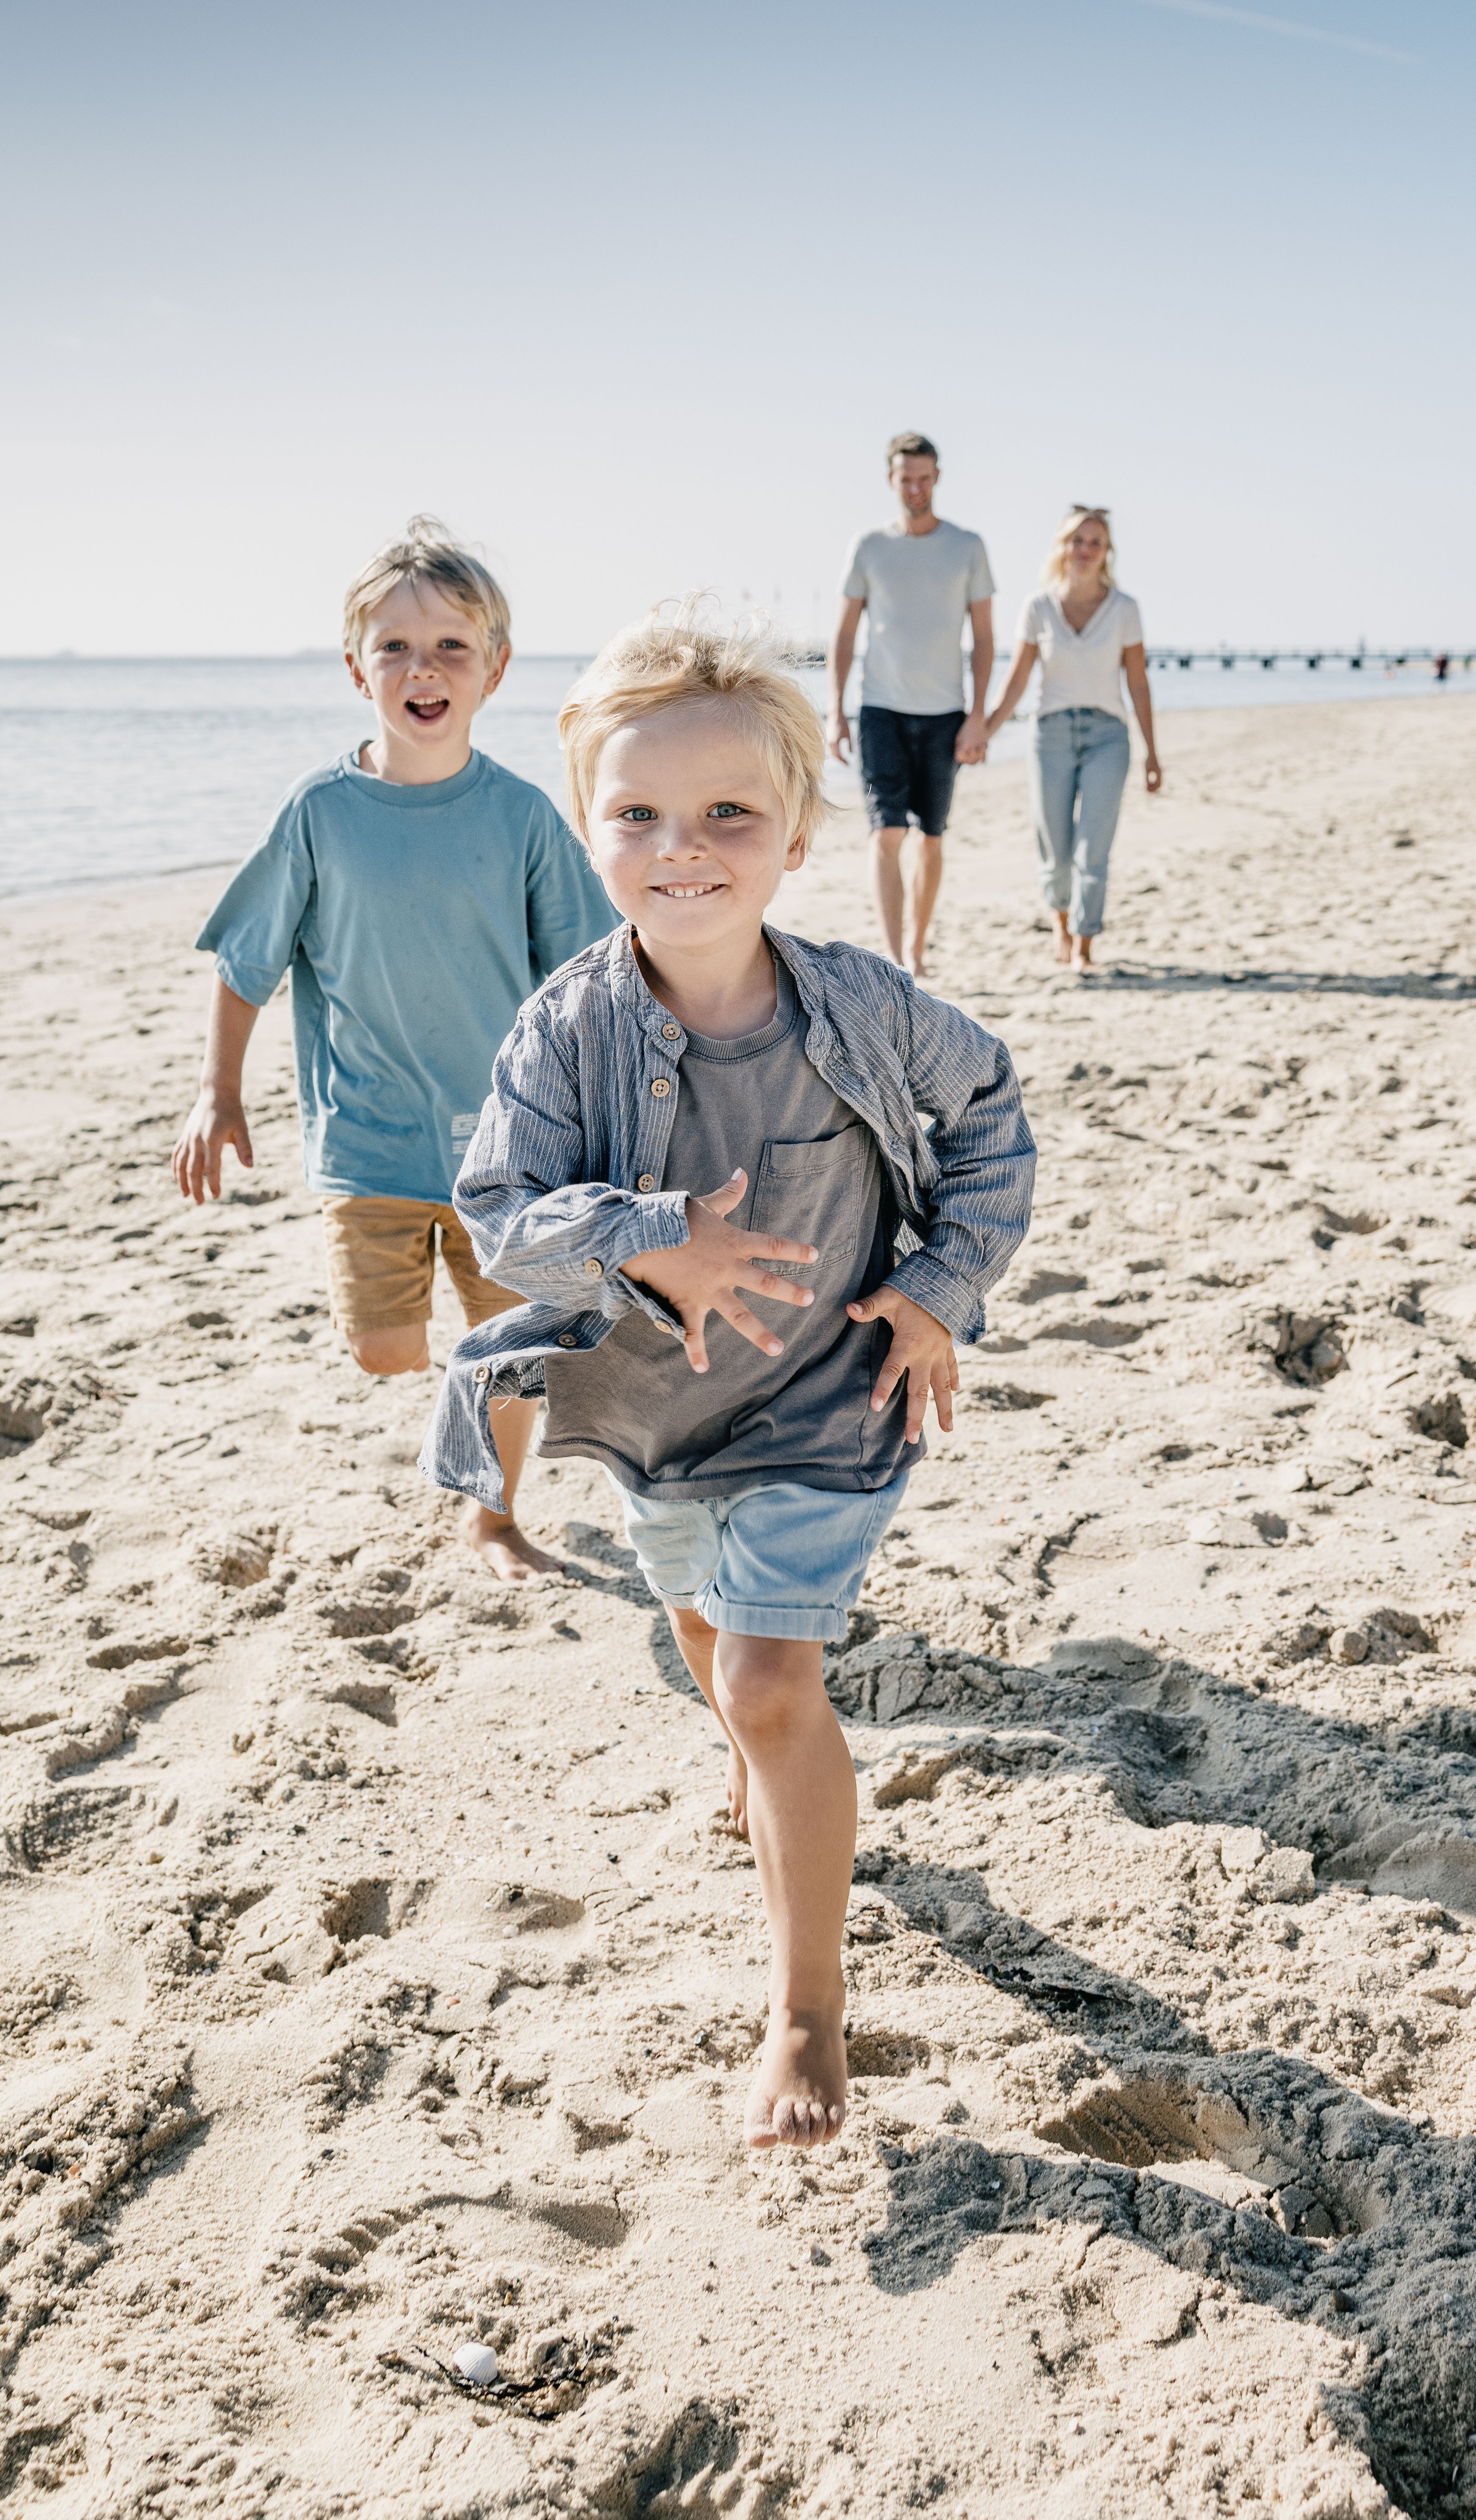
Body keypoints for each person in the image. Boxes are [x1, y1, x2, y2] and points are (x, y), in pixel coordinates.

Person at [420, 603, 1035, 2146]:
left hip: (832, 1402)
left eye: (726, 814)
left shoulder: (870, 1005)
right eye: (635, 813)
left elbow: (990, 1119)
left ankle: (807, 2009)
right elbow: (496, 1213)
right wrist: (647, 1242)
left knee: (770, 1679)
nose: (679, 846)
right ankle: (772, 1773)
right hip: (654, 1414)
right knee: (711, 1651)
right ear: (586, 830)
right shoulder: (564, 1028)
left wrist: (937, 1286)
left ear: (795, 834)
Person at [170, 518, 615, 1580]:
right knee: (381, 1350)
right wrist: (215, 1093)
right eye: (397, 648)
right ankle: (458, 1381)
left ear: (495, 668)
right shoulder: (321, 813)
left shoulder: (520, 817)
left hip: (507, 1148)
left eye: (452, 647)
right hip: (367, 1143)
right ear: (355, 667)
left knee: (510, 1353)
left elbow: (585, 975)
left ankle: (493, 1517)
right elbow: (246, 962)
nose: (424, 669)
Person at [826, 431, 994, 977]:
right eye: (906, 479)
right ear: (891, 480)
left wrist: (978, 716)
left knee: (932, 837)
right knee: (887, 832)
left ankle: (918, 947)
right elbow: (845, 632)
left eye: (924, 478)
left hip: (945, 713)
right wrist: (836, 710)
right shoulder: (869, 547)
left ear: (938, 478)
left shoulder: (967, 546)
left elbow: (986, 638)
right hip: (880, 709)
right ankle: (896, 959)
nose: (916, 488)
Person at [985, 504, 1161, 972]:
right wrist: (984, 730)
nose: (1085, 550)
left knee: (1094, 846)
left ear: (1107, 553)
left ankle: (1085, 945)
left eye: (1095, 543)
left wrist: (1152, 753)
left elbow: (1138, 683)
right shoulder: (1038, 607)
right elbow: (1018, 680)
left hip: (1109, 736)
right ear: (1063, 548)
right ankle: (1062, 929)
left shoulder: (1125, 610)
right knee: (1055, 846)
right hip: (1051, 735)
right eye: (1077, 541)